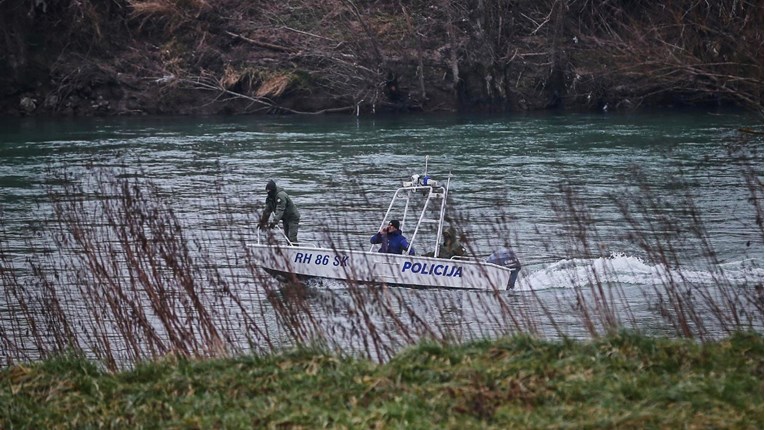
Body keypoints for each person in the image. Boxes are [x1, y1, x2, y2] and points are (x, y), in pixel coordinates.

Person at [260, 179, 300, 244]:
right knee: (287, 237)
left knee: (292, 237)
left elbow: (280, 210)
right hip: (285, 218)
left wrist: (274, 222)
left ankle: (296, 250)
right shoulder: (270, 198)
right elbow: (267, 210)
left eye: (269, 191)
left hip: (292, 217)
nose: (268, 192)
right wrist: (263, 221)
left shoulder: (281, 196)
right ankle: (290, 250)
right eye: (267, 191)